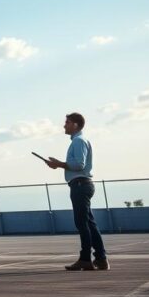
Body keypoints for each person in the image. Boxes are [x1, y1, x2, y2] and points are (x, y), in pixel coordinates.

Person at [45, 112, 109, 271]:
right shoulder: (80, 140)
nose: (64, 125)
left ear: (75, 125)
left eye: (67, 122)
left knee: (82, 223)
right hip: (83, 184)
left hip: (80, 184)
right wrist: (59, 164)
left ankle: (86, 259)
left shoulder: (78, 141)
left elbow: (79, 164)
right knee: (89, 223)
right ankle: (101, 259)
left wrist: (59, 164)